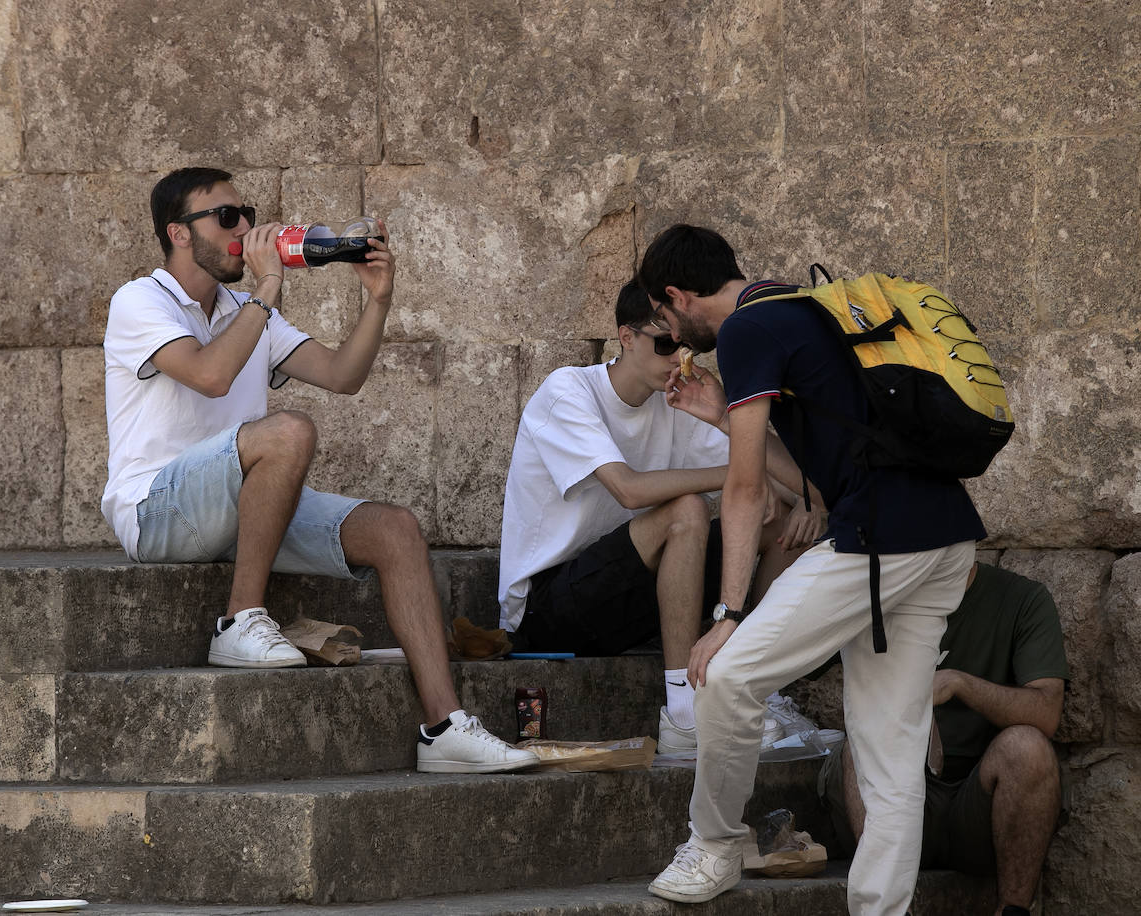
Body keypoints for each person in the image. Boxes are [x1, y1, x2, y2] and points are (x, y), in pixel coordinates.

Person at [102, 166, 536, 775]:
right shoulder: (139, 301)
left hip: (237, 505)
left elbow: (342, 375)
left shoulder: (245, 308)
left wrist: (377, 299)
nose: (245, 227)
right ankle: (240, 621)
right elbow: (210, 374)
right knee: (289, 432)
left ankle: (444, 728)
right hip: (157, 508)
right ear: (179, 233)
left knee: (396, 530)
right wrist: (269, 285)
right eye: (226, 217)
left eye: (246, 212)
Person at [636, 225, 987, 915]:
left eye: (664, 321)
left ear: (677, 296)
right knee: (891, 761)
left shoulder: (745, 334)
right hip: (943, 538)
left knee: (728, 675)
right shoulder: (806, 307)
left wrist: (728, 615)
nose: (672, 337)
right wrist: (718, 414)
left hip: (880, 545)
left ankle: (714, 846)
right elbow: (817, 486)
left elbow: (742, 491)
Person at [498, 280, 826, 755]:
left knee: (776, 523)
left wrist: (722, 418)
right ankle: (682, 714)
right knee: (688, 510)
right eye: (666, 343)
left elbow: (799, 487)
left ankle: (761, 691)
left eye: (686, 345)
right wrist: (738, 471)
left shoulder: (676, 398)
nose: (679, 357)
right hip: (548, 608)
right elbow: (628, 489)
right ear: (625, 337)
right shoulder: (568, 390)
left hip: (633, 592)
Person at [819, 562, 1068, 916]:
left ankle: (1013, 909)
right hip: (892, 789)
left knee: (1028, 749)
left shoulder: (1021, 598)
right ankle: (882, 905)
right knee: (857, 751)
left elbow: (1046, 712)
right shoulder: (875, 592)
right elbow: (792, 652)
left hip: (978, 802)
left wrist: (961, 685)